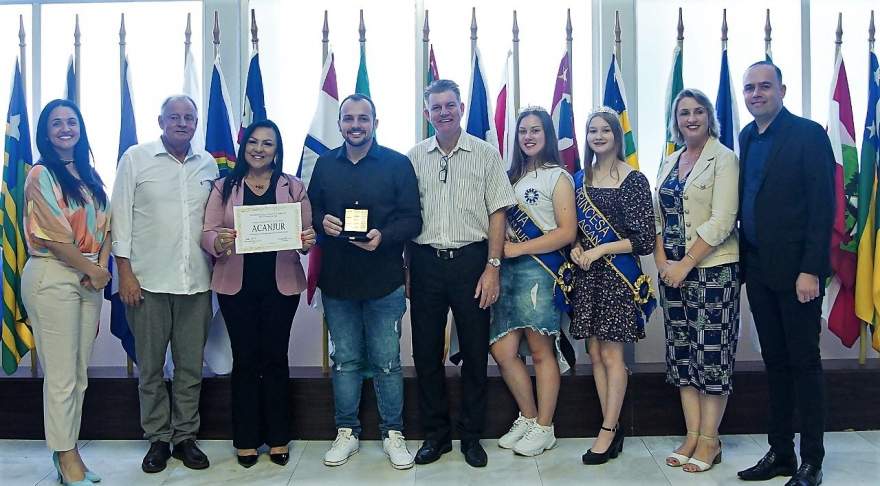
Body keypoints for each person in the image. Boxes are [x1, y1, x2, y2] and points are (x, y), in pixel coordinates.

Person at [307, 93, 422, 470]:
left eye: (363, 118)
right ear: (340, 124)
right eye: (349, 119)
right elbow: (313, 209)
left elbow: (412, 220)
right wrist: (322, 221)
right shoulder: (324, 164)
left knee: (388, 361)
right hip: (338, 282)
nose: (356, 125)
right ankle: (347, 432)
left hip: (384, 281)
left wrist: (382, 237)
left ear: (375, 122)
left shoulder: (397, 164)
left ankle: (393, 433)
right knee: (346, 361)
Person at [407, 79, 516, 468]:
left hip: (473, 263)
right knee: (426, 353)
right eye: (436, 108)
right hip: (424, 263)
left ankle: (471, 436)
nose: (443, 113)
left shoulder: (486, 154)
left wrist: (493, 266)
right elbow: (405, 216)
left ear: (462, 107)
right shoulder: (414, 157)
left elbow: (498, 212)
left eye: (450, 105)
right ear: (427, 113)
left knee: (473, 352)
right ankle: (435, 436)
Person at [735, 61, 834, 486]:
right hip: (757, 269)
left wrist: (811, 269)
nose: (757, 94)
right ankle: (780, 453)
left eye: (764, 87)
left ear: (782, 90)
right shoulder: (745, 136)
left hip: (798, 274)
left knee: (804, 364)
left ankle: (812, 459)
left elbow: (822, 208)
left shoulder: (809, 135)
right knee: (773, 363)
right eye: (750, 88)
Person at [111, 95, 218, 473]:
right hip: (147, 283)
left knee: (190, 368)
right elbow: (119, 219)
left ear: (196, 123)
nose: (182, 122)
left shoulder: (207, 163)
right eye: (174, 116)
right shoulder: (136, 159)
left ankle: (185, 436)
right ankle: (157, 438)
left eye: (189, 117)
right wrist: (124, 272)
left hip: (197, 284)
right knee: (152, 368)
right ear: (161, 121)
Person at [201, 119, 316, 468]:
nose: (259, 149)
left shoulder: (292, 187)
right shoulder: (224, 187)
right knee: (245, 361)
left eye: (268, 143)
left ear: (277, 150)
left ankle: (279, 437)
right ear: (243, 146)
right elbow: (207, 232)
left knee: (275, 359)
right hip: (236, 287)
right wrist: (217, 241)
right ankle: (246, 440)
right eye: (253, 142)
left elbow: (306, 234)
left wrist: (306, 240)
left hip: (280, 287)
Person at [21, 99, 110, 486]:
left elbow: (109, 227)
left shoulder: (89, 175)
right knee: (60, 376)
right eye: (55, 123)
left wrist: (100, 269)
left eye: (71, 121)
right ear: (45, 133)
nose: (64, 128)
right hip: (53, 276)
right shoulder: (41, 174)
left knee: (77, 374)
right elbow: (55, 238)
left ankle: (67, 449)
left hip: (89, 276)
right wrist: (92, 269)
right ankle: (66, 456)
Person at [653, 89, 741, 473]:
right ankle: (691, 434)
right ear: (676, 119)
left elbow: (723, 220)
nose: (691, 118)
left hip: (712, 271)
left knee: (711, 355)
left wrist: (685, 263)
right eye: (684, 112)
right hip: (670, 274)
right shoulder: (670, 161)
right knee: (683, 354)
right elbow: (657, 217)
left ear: (709, 117)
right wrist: (662, 263)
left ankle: (710, 440)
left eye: (698, 111)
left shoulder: (724, 159)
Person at [569, 107, 656, 466]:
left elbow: (645, 239)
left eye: (606, 130)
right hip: (588, 276)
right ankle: (613, 424)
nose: (599, 136)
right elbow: (574, 227)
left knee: (612, 355)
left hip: (618, 275)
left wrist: (601, 248)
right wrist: (576, 246)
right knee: (594, 352)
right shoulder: (579, 178)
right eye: (593, 131)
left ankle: (606, 430)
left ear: (617, 136)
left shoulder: (633, 178)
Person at [490, 106, 576, 457]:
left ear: (548, 136)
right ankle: (527, 416)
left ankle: (545, 426)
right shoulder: (507, 178)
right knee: (502, 349)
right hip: (507, 272)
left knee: (541, 351)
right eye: (523, 130)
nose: (528, 136)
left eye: (536, 130)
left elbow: (566, 233)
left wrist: (517, 249)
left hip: (540, 269)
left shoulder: (558, 176)